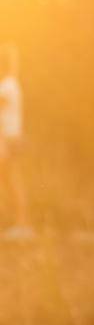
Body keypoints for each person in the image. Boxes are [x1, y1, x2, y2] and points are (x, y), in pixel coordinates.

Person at [0, 43, 28, 235]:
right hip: (11, 138)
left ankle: (21, 223)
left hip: (8, 140)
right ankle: (18, 223)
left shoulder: (7, 86)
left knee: (12, 180)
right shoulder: (11, 84)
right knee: (10, 180)